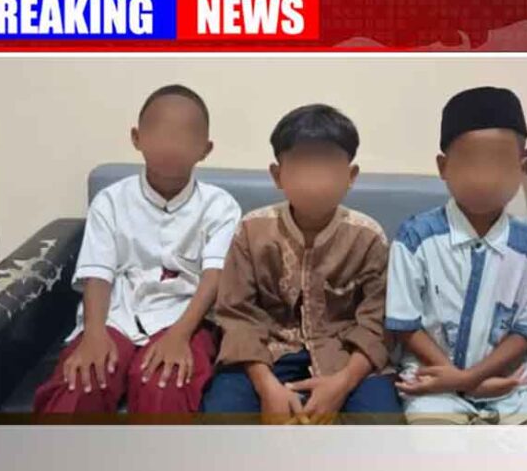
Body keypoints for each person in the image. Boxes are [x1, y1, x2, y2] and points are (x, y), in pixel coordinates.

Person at [34, 84, 241, 414]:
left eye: (185, 136)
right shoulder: (111, 201)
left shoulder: (220, 206)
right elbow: (98, 274)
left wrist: (179, 336)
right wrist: (94, 334)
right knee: (81, 384)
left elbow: (213, 277)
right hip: (116, 315)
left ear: (205, 149)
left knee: (165, 385)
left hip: (185, 317)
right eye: (160, 132)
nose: (171, 144)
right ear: (136, 137)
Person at [202, 104, 401, 424]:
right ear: (277, 175)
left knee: (382, 424)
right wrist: (267, 386)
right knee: (223, 416)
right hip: (266, 355)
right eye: (302, 165)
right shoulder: (253, 231)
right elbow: (237, 316)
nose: (315, 179)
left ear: (350, 176)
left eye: (327, 166)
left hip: (345, 358)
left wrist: (342, 383)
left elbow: (376, 324)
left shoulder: (367, 237)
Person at [386, 86, 527, 425]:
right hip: (433, 382)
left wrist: (470, 379)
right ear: (444, 167)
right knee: (432, 443)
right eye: (470, 162)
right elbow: (406, 324)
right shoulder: (414, 238)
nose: (484, 178)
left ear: (520, 168)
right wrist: (457, 380)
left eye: (498, 163)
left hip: (512, 387)